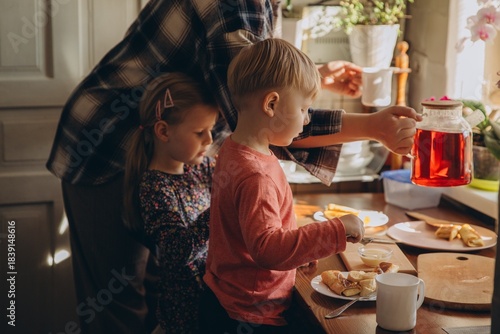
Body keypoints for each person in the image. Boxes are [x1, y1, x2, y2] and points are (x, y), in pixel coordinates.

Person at [46, 1, 420, 332]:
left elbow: (250, 86)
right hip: (105, 142)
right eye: (303, 109)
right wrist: (372, 126)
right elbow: (259, 110)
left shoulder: (226, 157)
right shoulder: (238, 4)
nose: (304, 116)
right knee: (118, 306)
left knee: (156, 292)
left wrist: (311, 78)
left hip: (166, 149)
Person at [200, 38, 365, 333]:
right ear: (272, 104)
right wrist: (336, 230)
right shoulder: (256, 175)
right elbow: (267, 249)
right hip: (251, 311)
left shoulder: (234, 148)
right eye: (304, 108)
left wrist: (295, 256)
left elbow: (248, 233)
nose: (306, 119)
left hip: (225, 297)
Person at [123, 72, 218, 333]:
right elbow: (178, 253)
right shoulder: (156, 187)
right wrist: (220, 209)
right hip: (185, 315)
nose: (209, 140)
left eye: (211, 130)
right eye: (200, 132)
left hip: (215, 302)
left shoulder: (201, 168)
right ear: (163, 131)